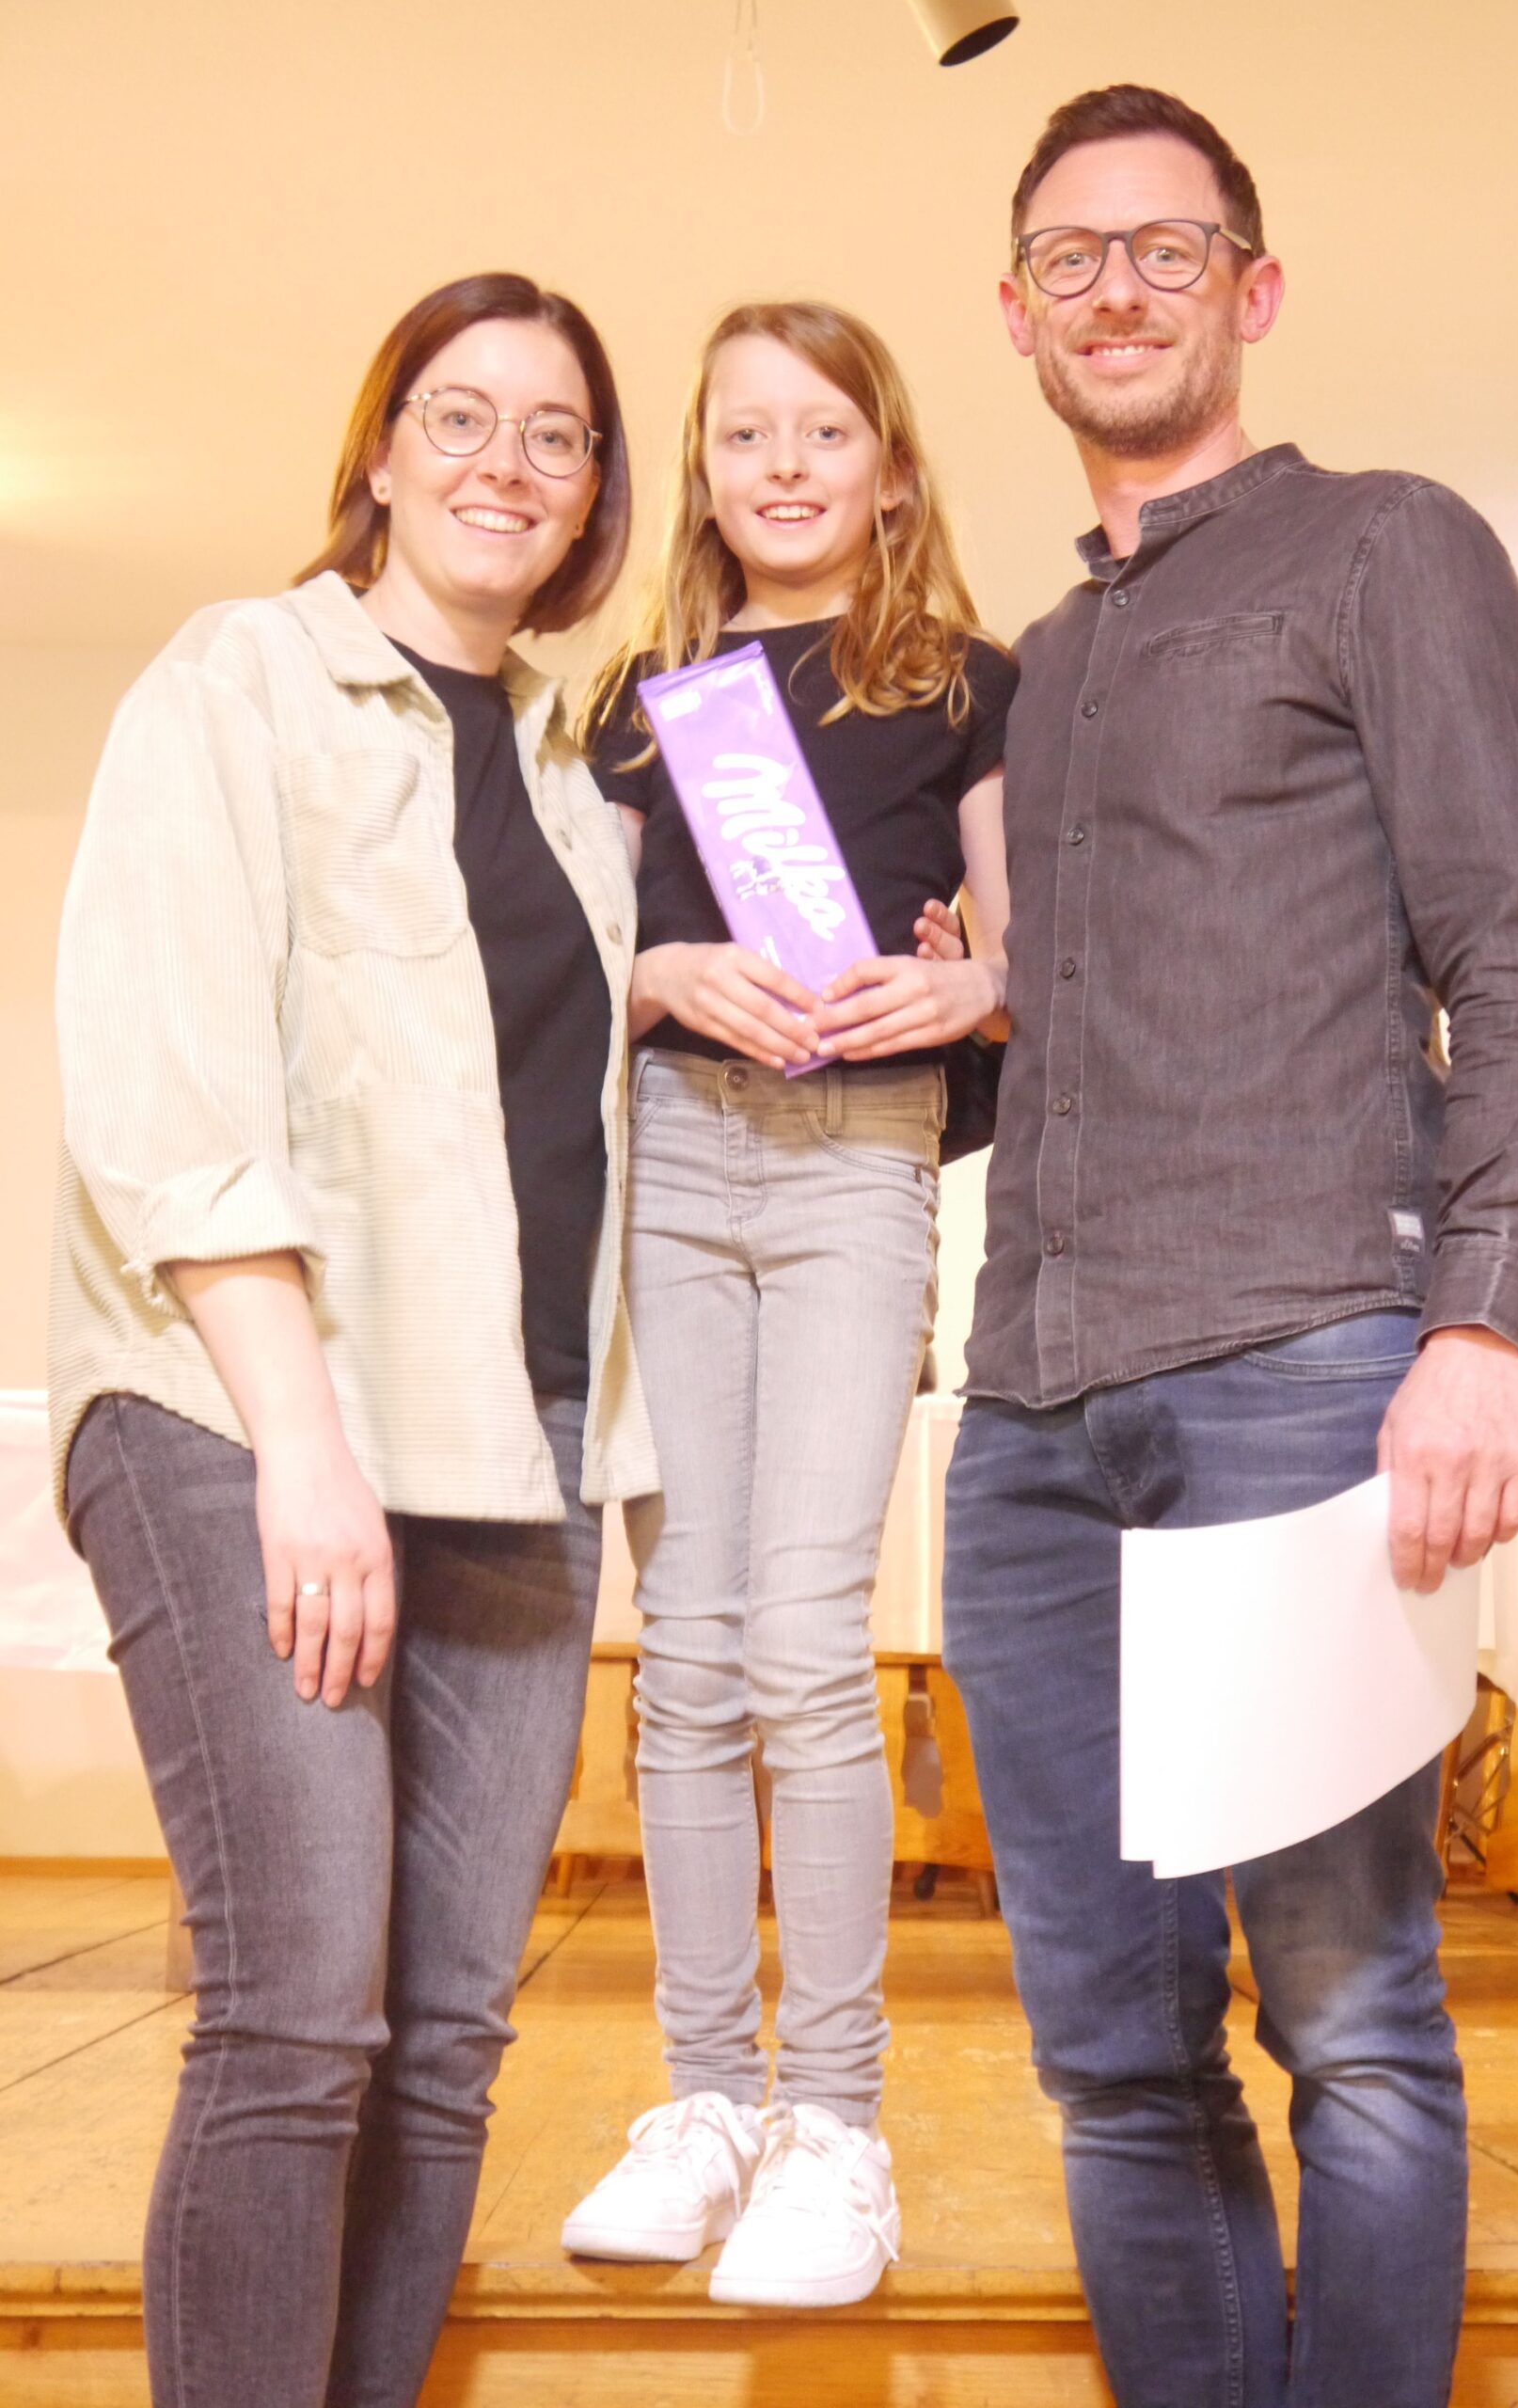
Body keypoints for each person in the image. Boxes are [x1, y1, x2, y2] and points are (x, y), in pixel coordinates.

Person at [941, 84, 1518, 2408]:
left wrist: (1479, 1325)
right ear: (1012, 310)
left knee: (1353, 2021)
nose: (1114, 287)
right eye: (1069, 255)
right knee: (1111, 2055)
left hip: (1303, 1370)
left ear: (1252, 286)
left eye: (1164, 246)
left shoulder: (1381, 546)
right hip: (1027, 1419)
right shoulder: (1041, 661)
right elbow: (1081, 1027)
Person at [51, 271, 656, 2408]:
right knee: (302, 2012)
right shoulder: (242, 678)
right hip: (249, 1417)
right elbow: (170, 1085)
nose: (507, 461)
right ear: (382, 450)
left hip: (516, 1440)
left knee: (447, 2030)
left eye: (557, 433)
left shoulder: (580, 784)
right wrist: (302, 1446)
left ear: (592, 492)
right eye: (459, 415)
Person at [561, 300, 1016, 2307]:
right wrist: (658, 974)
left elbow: (1026, 962)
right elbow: (557, 964)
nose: (785, 464)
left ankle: (835, 2122)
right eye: (745, 433)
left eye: (825, 430)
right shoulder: (639, 701)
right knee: (684, 1649)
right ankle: (706, 2102)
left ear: (891, 469)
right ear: (703, 470)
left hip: (858, 1165)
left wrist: (964, 981)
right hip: (672, 1159)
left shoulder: (968, 683)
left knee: (810, 1647)